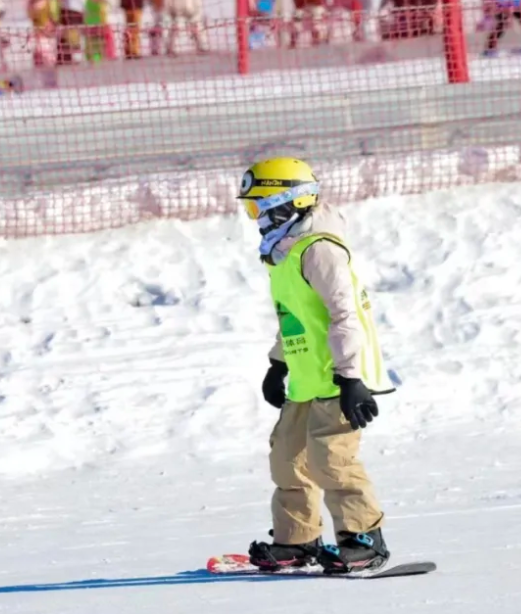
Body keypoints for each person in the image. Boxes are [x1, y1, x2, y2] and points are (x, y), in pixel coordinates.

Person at [237, 157, 396, 574]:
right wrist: (277, 364)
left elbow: (346, 316)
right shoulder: (282, 254)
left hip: (340, 376)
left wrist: (351, 379)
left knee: (332, 461)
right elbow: (295, 317)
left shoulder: (319, 249)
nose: (255, 218)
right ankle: (297, 540)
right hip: (308, 377)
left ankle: (364, 540)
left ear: (288, 204)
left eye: (259, 206)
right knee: (287, 459)